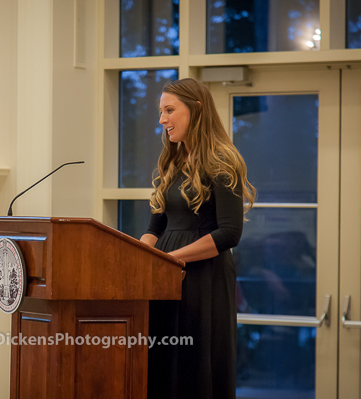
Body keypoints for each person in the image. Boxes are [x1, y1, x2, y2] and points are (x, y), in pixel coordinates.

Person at [140, 78, 256, 399]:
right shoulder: (173, 162)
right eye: (161, 111)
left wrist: (173, 259)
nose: (162, 119)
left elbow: (229, 232)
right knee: (163, 364)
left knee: (194, 366)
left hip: (203, 277)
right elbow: (154, 228)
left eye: (169, 110)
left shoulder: (222, 160)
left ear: (196, 110)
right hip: (163, 277)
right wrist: (139, 260)